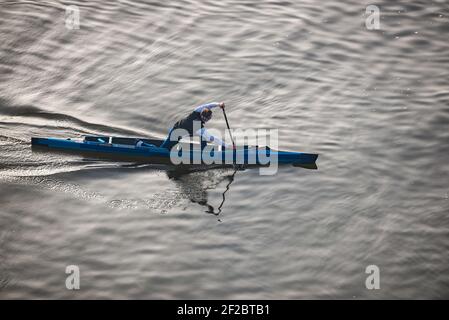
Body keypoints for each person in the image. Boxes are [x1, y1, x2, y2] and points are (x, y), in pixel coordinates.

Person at [160, 102, 233, 150]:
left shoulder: (198, 110)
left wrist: (218, 104)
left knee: (203, 136)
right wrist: (228, 146)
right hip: (176, 133)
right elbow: (213, 139)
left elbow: (209, 105)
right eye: (207, 119)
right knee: (165, 149)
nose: (207, 120)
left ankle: (203, 150)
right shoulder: (197, 127)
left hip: (180, 127)